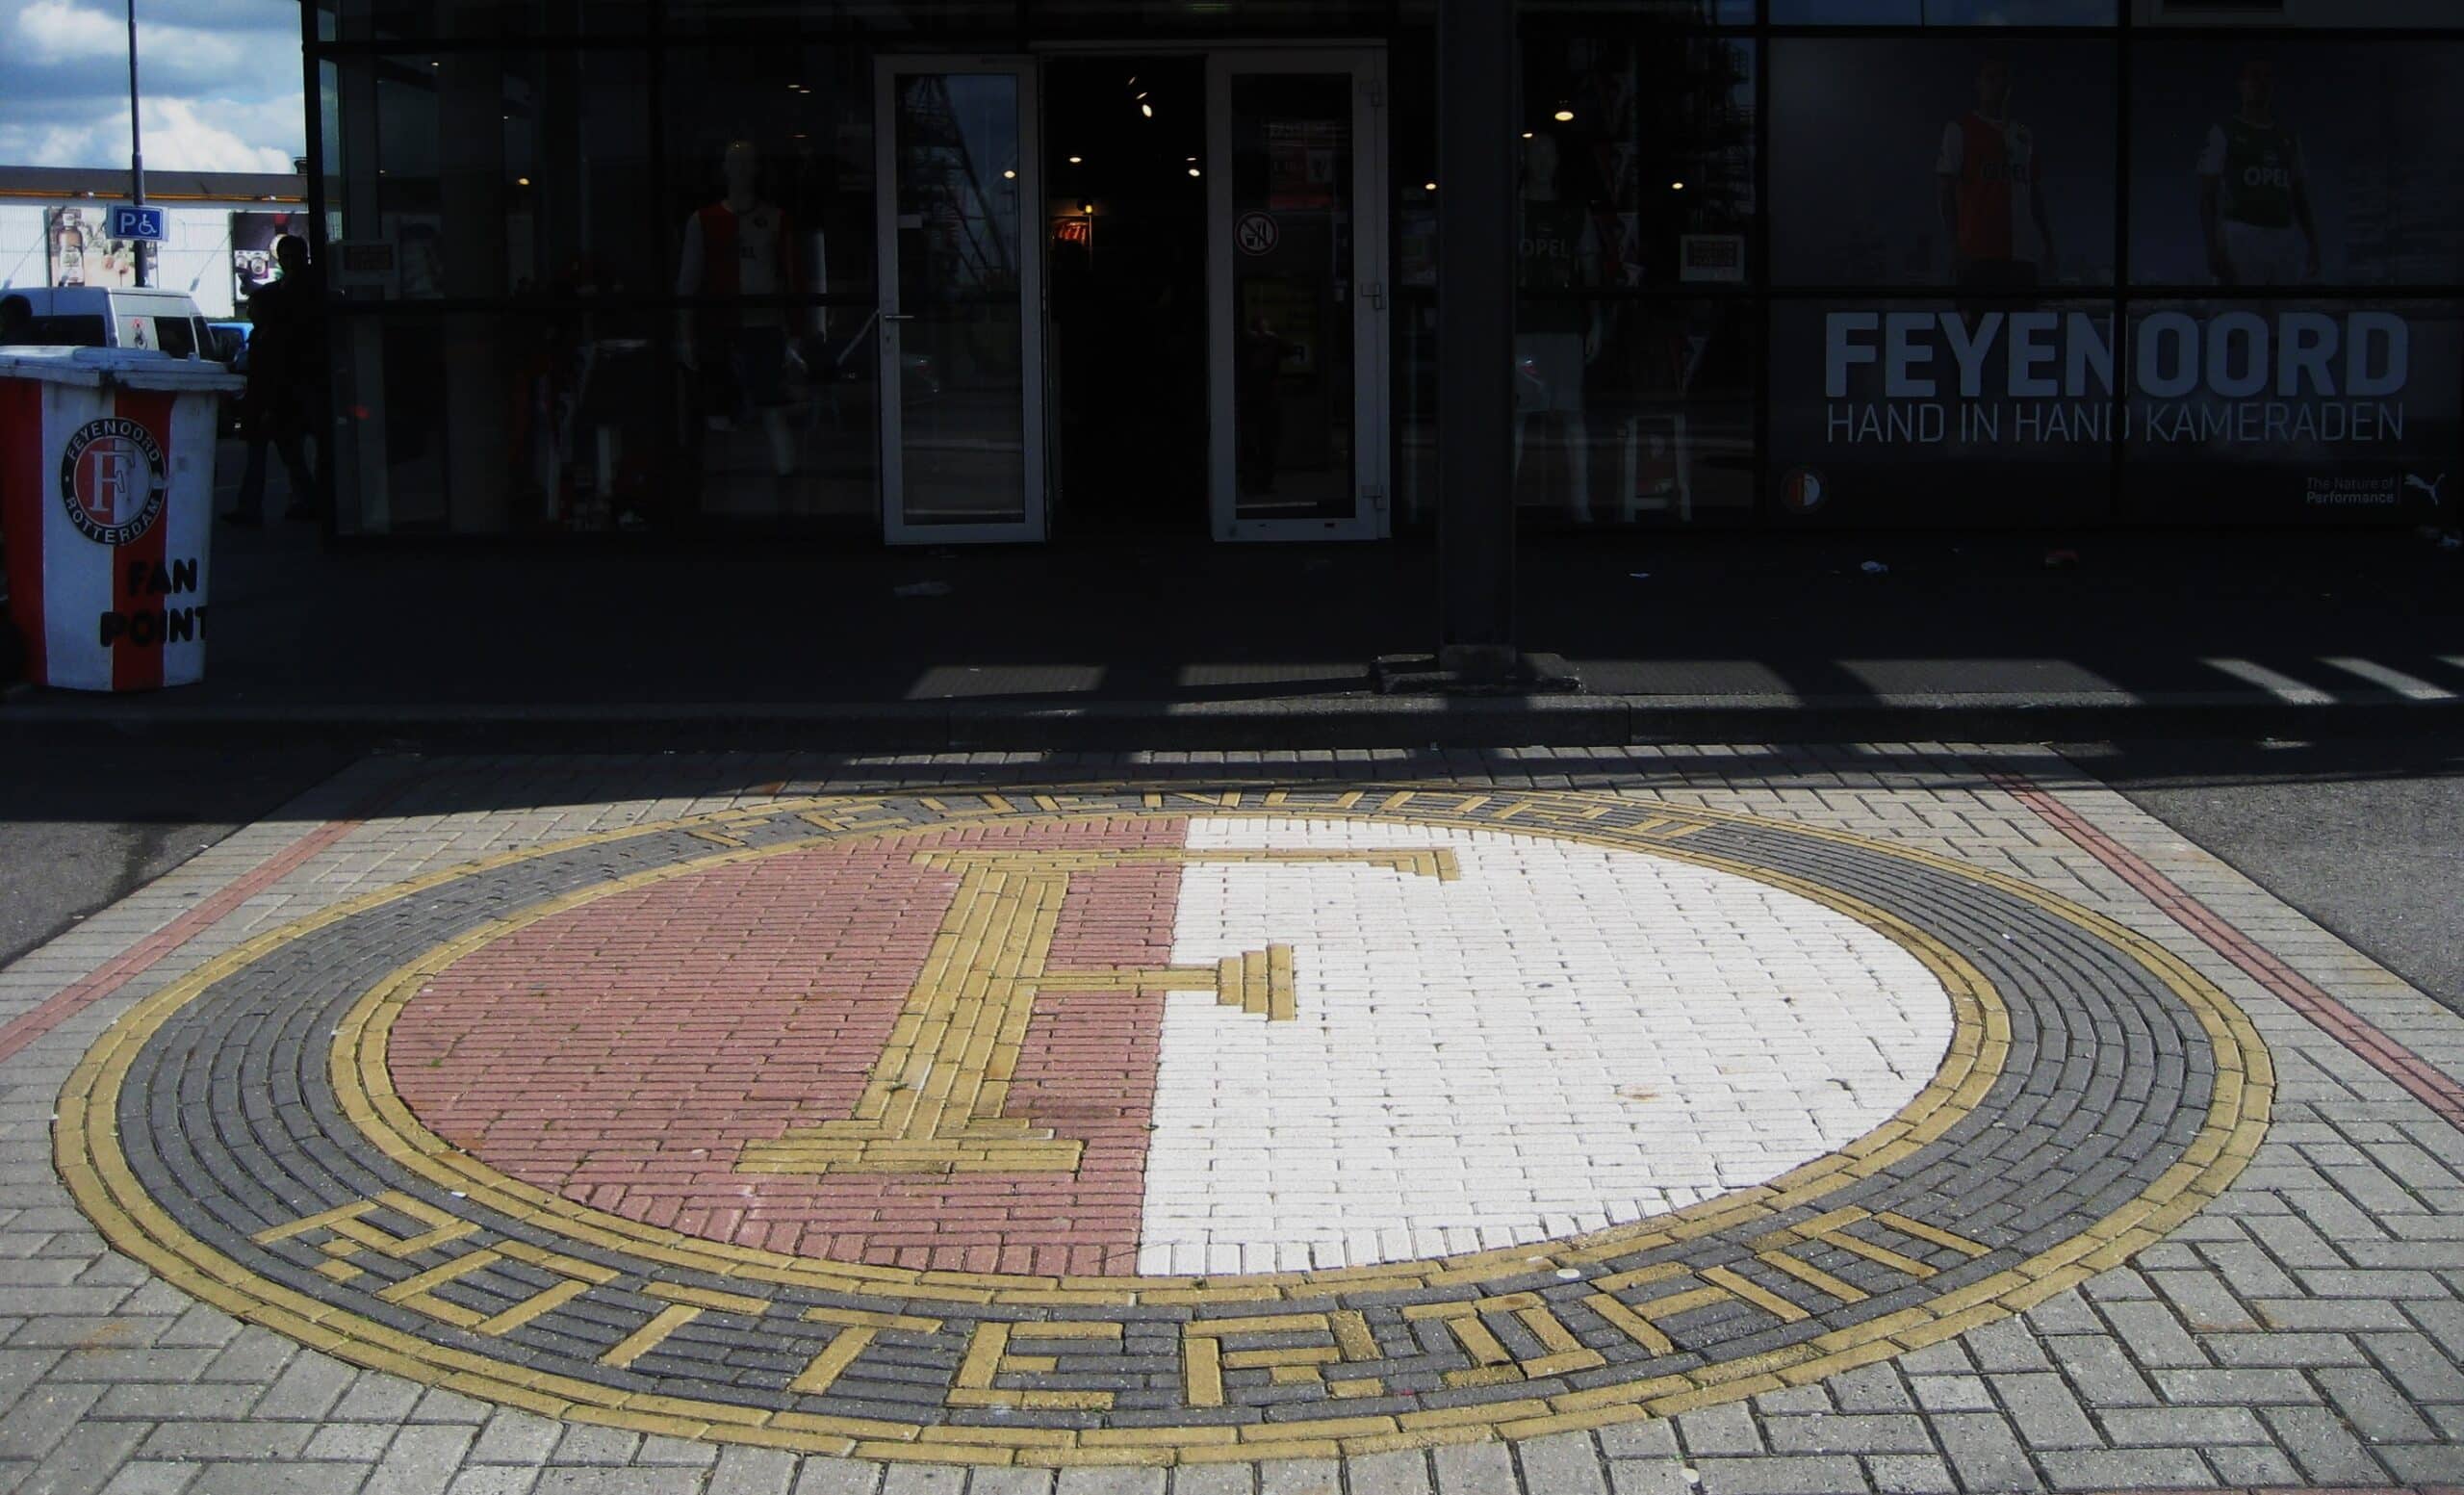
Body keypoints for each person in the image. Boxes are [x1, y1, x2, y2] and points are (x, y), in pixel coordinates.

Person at [222, 235, 327, 526]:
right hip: (288, 392)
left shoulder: (272, 333)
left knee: (279, 453)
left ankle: (261, 506)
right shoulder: (302, 295)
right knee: (291, 453)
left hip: (279, 395)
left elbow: (270, 369)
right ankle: (306, 500)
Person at [1937, 53, 2057, 291]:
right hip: (1977, 254)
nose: (1998, 84)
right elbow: (1945, 192)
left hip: (2023, 256)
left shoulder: (2024, 135)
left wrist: (2047, 244)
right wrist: (1955, 245)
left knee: (2019, 325)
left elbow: (2034, 194)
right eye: (1991, 78)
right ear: (1978, 83)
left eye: (2003, 78)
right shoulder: (1959, 130)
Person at [2198, 57, 2321, 287]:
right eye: (2254, 76)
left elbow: (2300, 197)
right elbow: (2207, 198)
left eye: (2266, 77)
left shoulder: (2288, 137)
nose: (2260, 83)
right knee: (2236, 315)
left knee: (2279, 318)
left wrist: (2313, 245)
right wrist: (2213, 250)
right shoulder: (2224, 132)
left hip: (2283, 237)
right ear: (2241, 83)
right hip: (2240, 235)